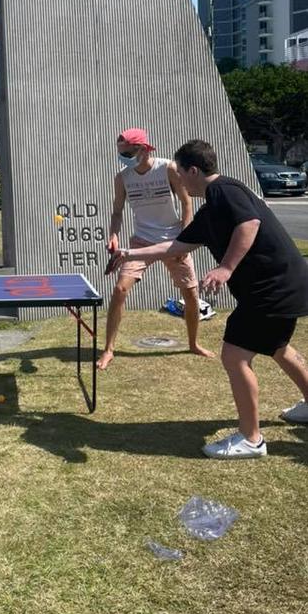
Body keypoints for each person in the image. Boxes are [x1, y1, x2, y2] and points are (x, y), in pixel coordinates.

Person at [113, 138, 308, 459]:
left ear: (193, 170)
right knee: (278, 347)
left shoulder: (224, 189)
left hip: (272, 287)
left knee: (234, 356)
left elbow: (250, 223)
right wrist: (128, 253)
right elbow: (174, 247)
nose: (176, 179)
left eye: (179, 173)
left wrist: (226, 268)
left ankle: (251, 439)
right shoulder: (210, 211)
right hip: (285, 284)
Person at [99, 127, 214, 370]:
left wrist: (184, 239)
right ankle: (108, 350)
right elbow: (117, 211)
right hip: (141, 242)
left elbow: (186, 203)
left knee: (191, 294)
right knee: (120, 289)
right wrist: (113, 234)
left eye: (127, 152)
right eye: (120, 152)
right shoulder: (122, 177)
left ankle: (193, 344)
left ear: (142, 149)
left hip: (173, 240)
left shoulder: (168, 168)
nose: (123, 157)